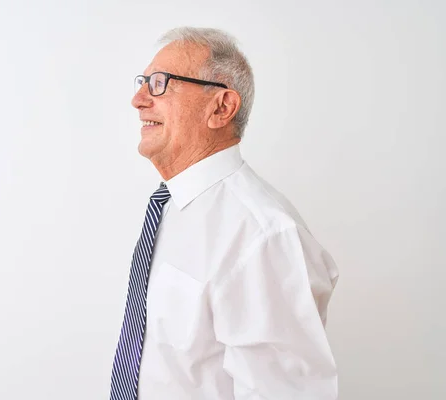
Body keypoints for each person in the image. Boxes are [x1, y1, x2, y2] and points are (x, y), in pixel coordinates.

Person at [109, 27, 339, 400]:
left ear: (221, 108)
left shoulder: (264, 235)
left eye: (159, 83)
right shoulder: (172, 208)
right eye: (142, 83)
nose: (138, 100)